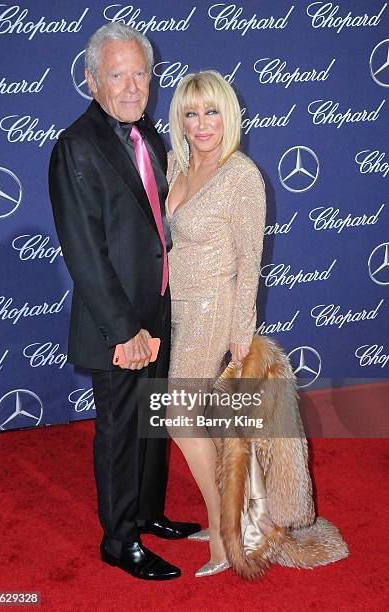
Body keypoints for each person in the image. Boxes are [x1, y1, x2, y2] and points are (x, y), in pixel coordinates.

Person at [48, 22, 200, 582]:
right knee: (119, 430)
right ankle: (119, 540)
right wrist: (124, 331)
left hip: (159, 308)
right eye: (118, 75)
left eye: (141, 73)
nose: (133, 87)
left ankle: (148, 512)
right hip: (119, 325)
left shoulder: (149, 136)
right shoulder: (76, 147)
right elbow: (85, 253)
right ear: (92, 80)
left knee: (152, 419)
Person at [166, 71, 266, 576]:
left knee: (179, 417)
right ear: (179, 120)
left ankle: (225, 536)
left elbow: (251, 261)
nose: (202, 123)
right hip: (175, 308)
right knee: (196, 420)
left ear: (228, 114)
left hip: (212, 309)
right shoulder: (175, 166)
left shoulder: (240, 174)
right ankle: (227, 520)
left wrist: (241, 334)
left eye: (211, 111)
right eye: (191, 112)